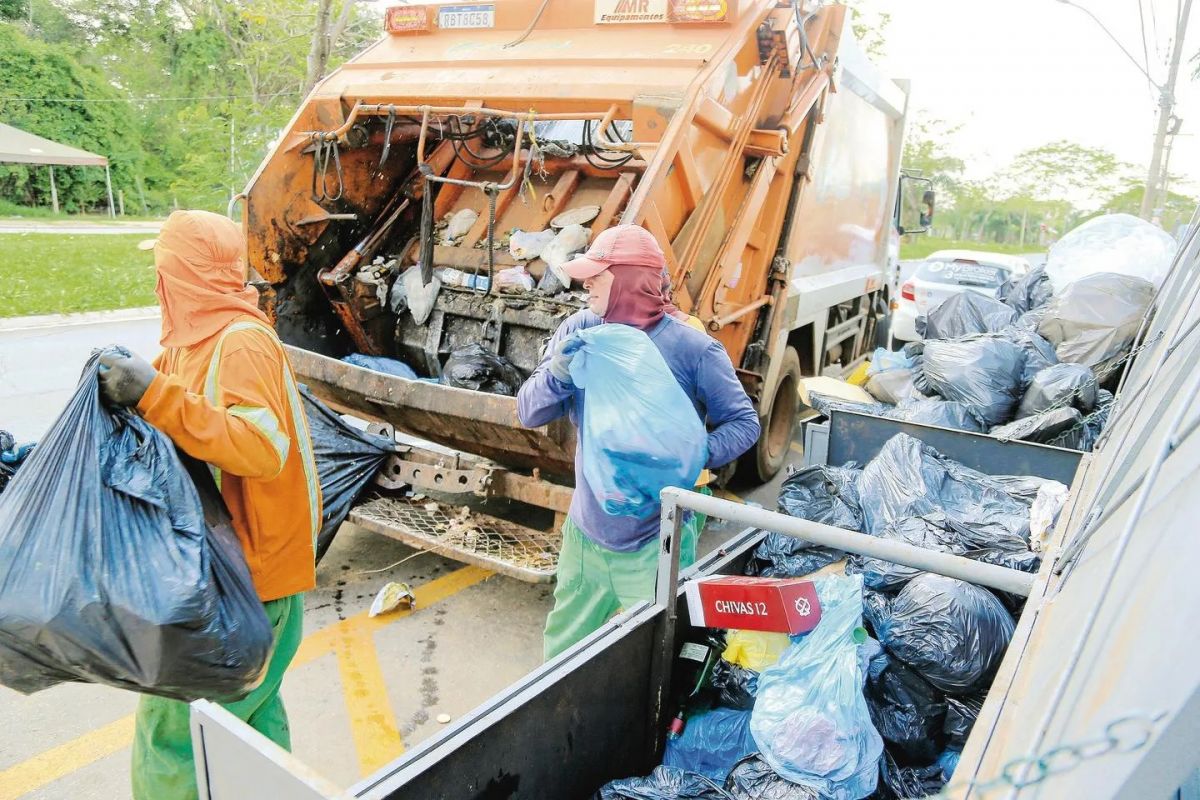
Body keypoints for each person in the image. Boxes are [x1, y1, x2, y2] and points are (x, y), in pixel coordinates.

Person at [96, 210, 321, 800]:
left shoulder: (240, 342)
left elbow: (261, 447)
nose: (156, 284)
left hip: (243, 583)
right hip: (240, 576)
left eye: (163, 270)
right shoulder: (191, 345)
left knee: (172, 735)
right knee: (249, 724)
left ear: (186, 277)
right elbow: (166, 424)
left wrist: (152, 391)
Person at [518, 224, 760, 661]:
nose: (585, 281)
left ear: (631, 280)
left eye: (598, 273)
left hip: (660, 539)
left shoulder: (692, 348)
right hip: (587, 533)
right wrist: (557, 373)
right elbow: (529, 412)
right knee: (560, 660)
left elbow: (743, 422)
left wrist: (696, 454)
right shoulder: (581, 331)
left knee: (651, 662)